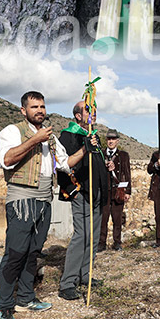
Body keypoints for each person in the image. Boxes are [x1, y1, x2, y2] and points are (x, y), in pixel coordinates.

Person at [0, 90, 79, 319]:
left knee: (33, 252)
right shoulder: (12, 131)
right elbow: (7, 159)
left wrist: (87, 149)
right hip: (21, 199)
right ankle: (4, 306)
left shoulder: (50, 138)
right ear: (24, 110)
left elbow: (64, 164)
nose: (39, 110)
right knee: (15, 252)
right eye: (34, 107)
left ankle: (25, 298)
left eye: (42, 106)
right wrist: (35, 139)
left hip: (44, 199)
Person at [57, 99, 108, 300]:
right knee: (81, 236)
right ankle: (67, 283)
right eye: (88, 110)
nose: (92, 114)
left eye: (94, 110)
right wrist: (72, 190)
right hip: (81, 193)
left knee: (93, 237)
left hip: (97, 195)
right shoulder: (68, 136)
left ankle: (85, 276)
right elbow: (62, 165)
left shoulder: (93, 136)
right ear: (78, 115)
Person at [99, 128, 131, 251]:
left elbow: (127, 173)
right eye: (109, 139)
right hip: (104, 191)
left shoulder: (123, 155)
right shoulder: (101, 154)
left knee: (117, 219)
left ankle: (117, 242)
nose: (111, 141)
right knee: (103, 219)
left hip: (118, 191)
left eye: (113, 139)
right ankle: (102, 243)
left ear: (117, 141)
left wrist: (127, 191)